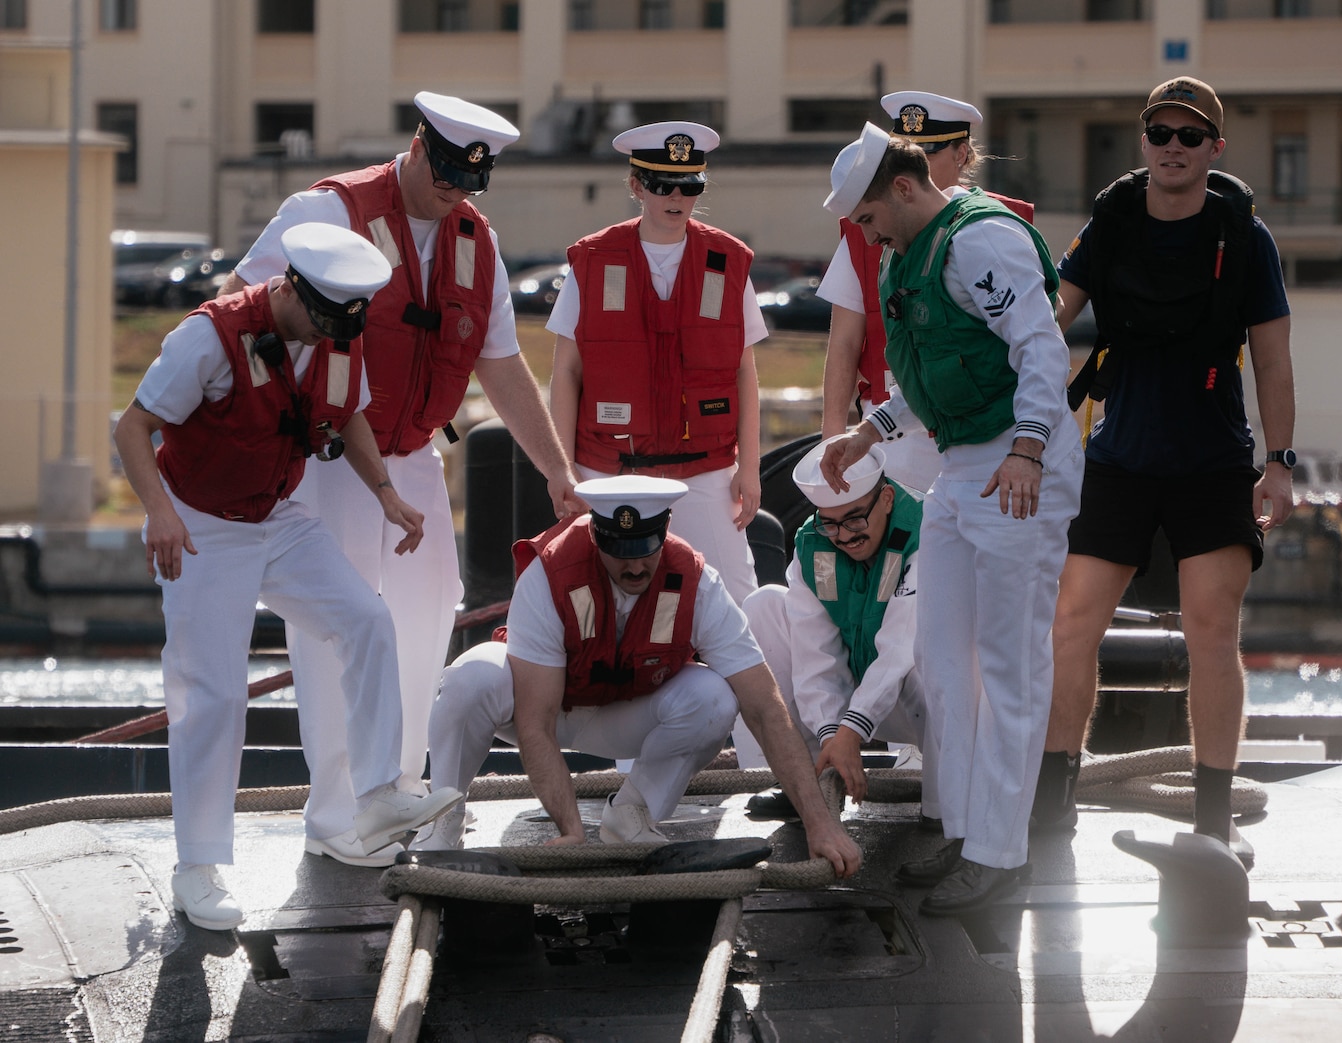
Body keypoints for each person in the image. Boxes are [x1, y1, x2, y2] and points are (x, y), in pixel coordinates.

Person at [221, 92, 581, 867]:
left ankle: (398, 791)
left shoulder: (476, 243)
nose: (453, 192)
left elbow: (501, 365)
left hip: (412, 458)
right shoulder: (328, 210)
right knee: (338, 630)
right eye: (444, 172)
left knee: (427, 613)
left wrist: (557, 468)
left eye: (469, 181)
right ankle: (337, 813)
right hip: (328, 459)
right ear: (417, 147)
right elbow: (236, 310)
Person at [113, 223, 462, 930]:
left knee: (366, 620)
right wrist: (161, 515)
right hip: (203, 524)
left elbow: (350, 415)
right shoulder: (209, 337)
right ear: (291, 290)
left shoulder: (338, 333)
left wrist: (386, 493)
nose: (333, 336)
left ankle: (377, 797)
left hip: (276, 514)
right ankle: (197, 867)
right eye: (325, 320)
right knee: (213, 692)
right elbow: (132, 427)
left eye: (345, 324)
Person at [818, 122, 1083, 916]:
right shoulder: (909, 252)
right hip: (964, 460)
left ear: (903, 188)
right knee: (941, 657)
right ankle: (967, 830)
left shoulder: (982, 241)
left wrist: (1029, 449)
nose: (868, 235)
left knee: (1009, 663)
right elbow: (938, 367)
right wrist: (871, 430)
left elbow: (1040, 349)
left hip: (1016, 461)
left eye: (870, 217)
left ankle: (1001, 853)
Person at [1033, 78, 1295, 867]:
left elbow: (1274, 360)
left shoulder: (1245, 236)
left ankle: (1213, 818)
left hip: (1212, 461)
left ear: (1215, 147)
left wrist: (1279, 463)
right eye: (1160, 133)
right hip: (1119, 456)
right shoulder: (1111, 223)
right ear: (1143, 141)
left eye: (1190, 135)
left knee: (1212, 629)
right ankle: (1051, 803)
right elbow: (1044, 326)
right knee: (1072, 623)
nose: (1173, 147)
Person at [419, 476, 862, 879]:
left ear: (665, 529)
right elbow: (535, 722)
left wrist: (820, 823)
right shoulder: (551, 573)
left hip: (625, 715)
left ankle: (632, 812)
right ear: (595, 536)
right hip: (539, 710)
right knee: (470, 678)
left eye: (646, 548)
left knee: (714, 697)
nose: (634, 567)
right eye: (619, 551)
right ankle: (445, 813)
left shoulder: (696, 582)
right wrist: (571, 832)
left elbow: (765, 706)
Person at [546, 121, 767, 607]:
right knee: (601, 601)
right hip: (608, 471)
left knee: (736, 599)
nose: (676, 197)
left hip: (705, 472)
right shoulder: (592, 260)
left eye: (689, 186)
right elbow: (566, 373)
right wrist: (560, 470)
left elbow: (744, 372)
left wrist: (749, 467)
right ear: (636, 186)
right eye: (662, 185)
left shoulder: (728, 261)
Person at [816, 91, 1036, 494]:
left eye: (926, 153)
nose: (914, 163)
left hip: (987, 422)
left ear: (962, 154)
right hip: (893, 421)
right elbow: (844, 341)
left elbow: (1038, 342)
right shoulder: (866, 229)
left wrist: (1029, 444)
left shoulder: (996, 226)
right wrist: (833, 437)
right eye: (905, 152)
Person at [737, 440, 939, 826]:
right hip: (861, 693)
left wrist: (852, 730)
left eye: (854, 520)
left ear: (886, 499)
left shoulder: (927, 530)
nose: (844, 537)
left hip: (924, 701)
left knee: (923, 656)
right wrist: (834, 737)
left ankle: (948, 791)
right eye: (829, 523)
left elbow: (899, 648)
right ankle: (810, 778)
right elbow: (815, 656)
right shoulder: (815, 546)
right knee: (763, 606)